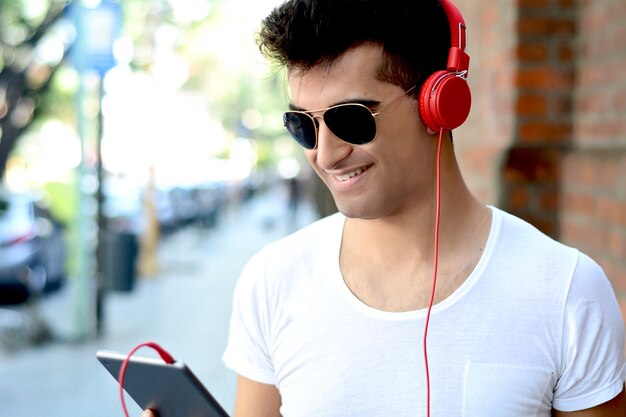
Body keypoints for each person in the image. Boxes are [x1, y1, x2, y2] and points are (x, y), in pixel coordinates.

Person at [142, 0, 625, 416]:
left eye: (350, 119)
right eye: (303, 125)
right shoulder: (272, 280)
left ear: (442, 103)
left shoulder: (566, 292)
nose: (325, 155)